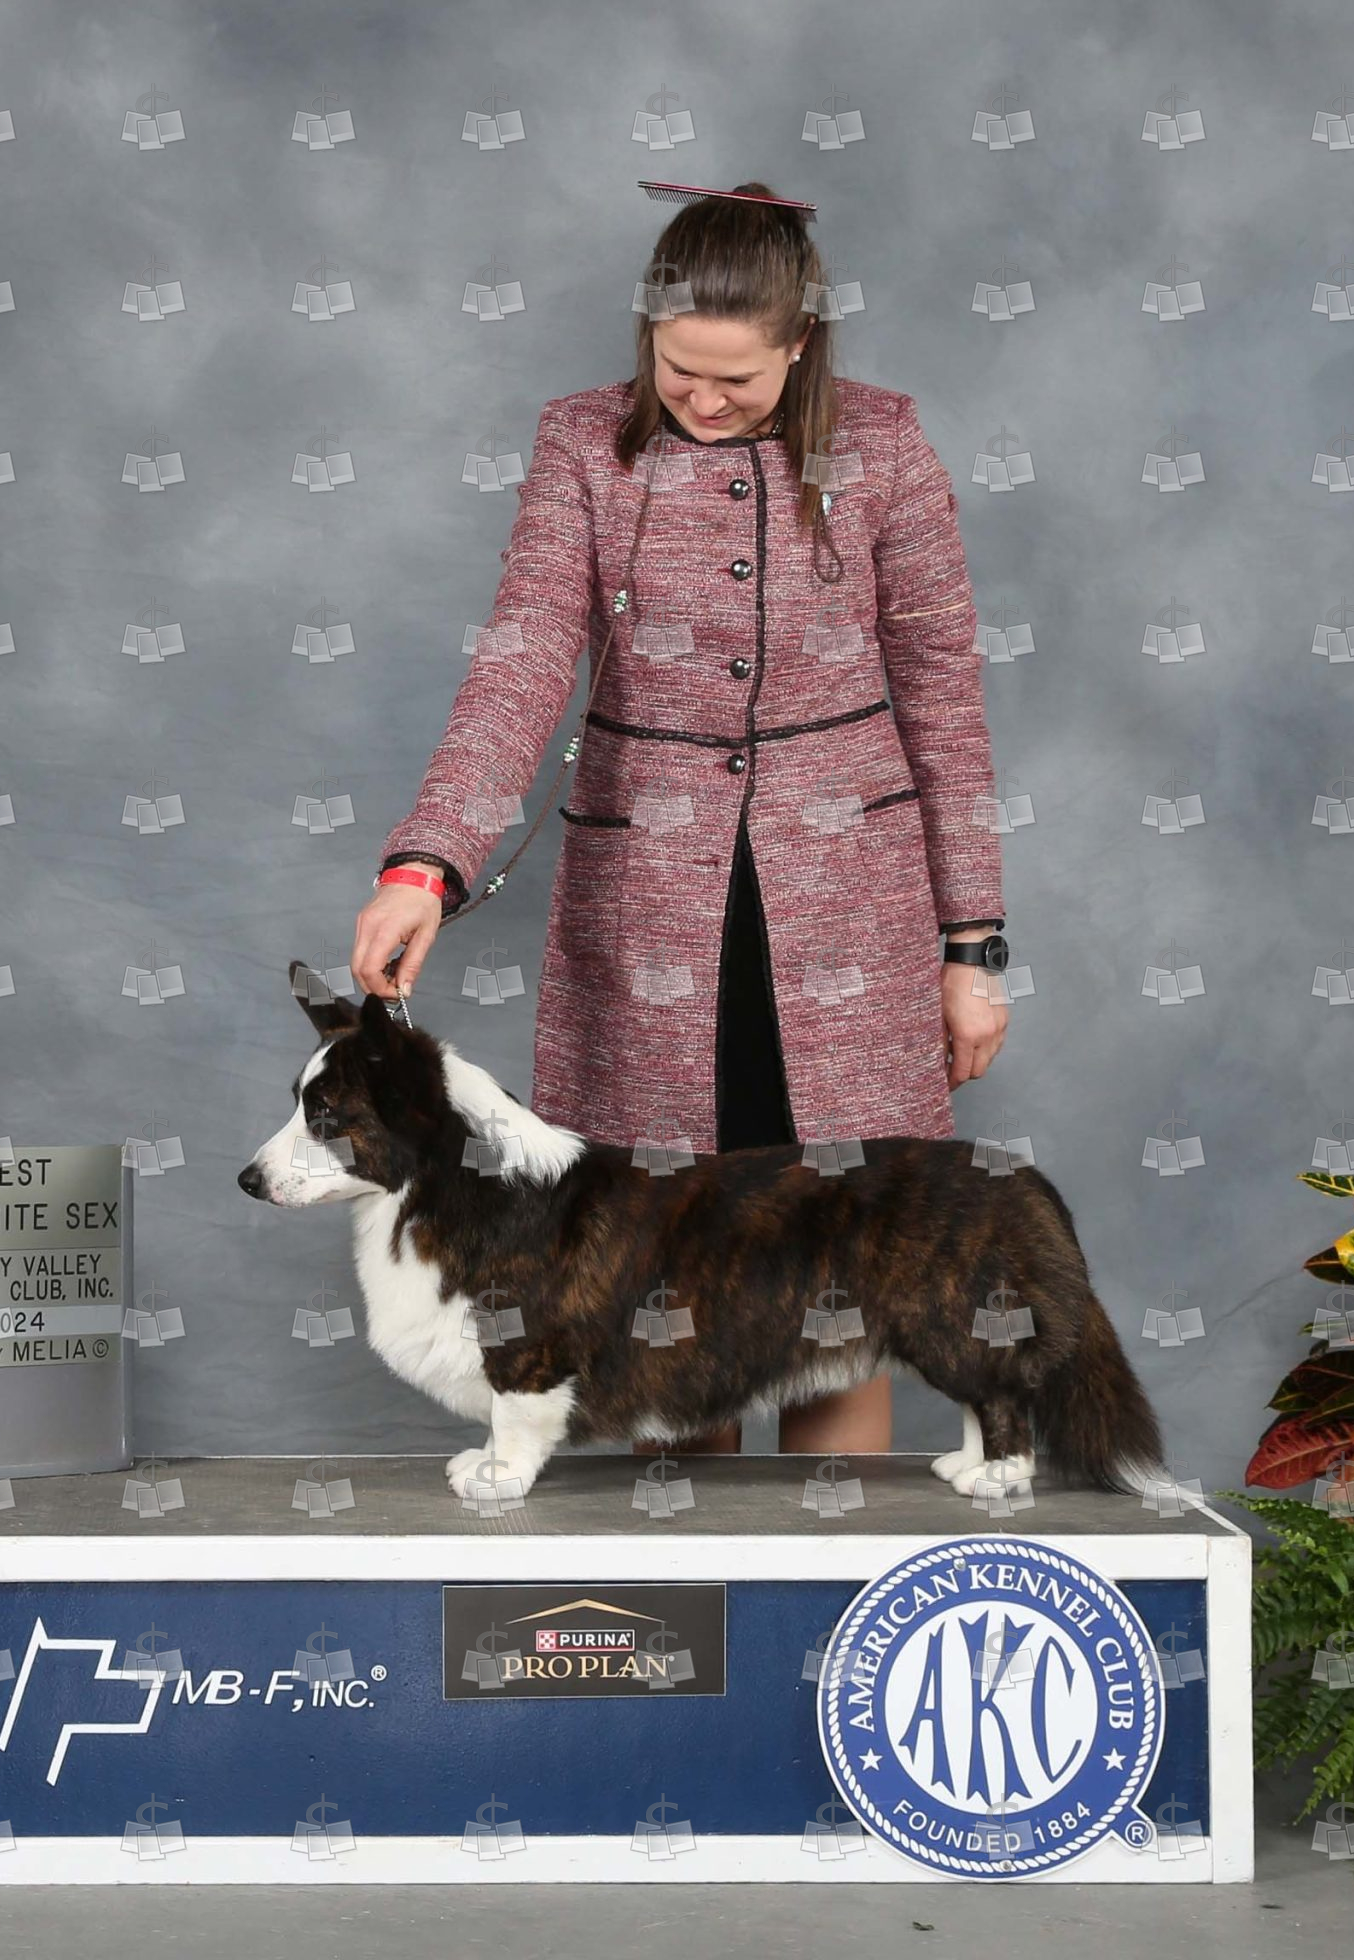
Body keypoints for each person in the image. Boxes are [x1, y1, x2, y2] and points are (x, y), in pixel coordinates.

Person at [350, 180, 1009, 1460]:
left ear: (802, 343)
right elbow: (522, 661)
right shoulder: (580, 444)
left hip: (852, 920)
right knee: (660, 1274)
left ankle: (830, 1570)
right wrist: (426, 862)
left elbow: (945, 700)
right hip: (646, 919)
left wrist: (971, 945)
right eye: (677, 370)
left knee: (841, 1271)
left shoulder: (884, 443)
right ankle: (694, 1573)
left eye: (737, 381)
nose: (702, 402)